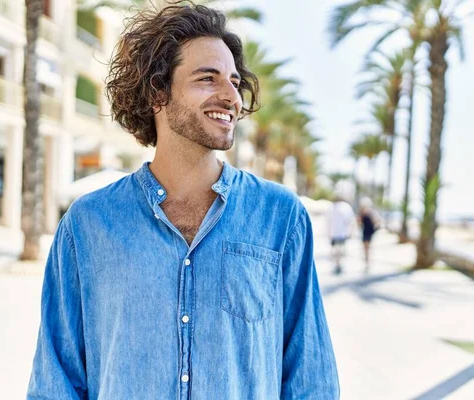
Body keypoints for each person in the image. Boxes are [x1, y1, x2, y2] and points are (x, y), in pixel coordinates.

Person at [27, 3, 339, 399]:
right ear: (158, 91)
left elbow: (310, 378)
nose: (231, 96)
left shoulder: (281, 217)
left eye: (234, 81)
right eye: (208, 79)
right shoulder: (88, 225)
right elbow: (56, 379)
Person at [327, 195, 355, 275]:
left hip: (335, 233)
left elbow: (327, 221)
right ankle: (338, 265)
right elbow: (351, 221)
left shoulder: (331, 207)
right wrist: (351, 232)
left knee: (337, 250)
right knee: (339, 250)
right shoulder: (346, 207)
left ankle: (337, 265)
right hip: (341, 233)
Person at [358, 197, 380, 271]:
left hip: (369, 232)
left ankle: (368, 262)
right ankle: (367, 262)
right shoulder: (362, 213)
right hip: (365, 231)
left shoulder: (371, 212)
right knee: (366, 248)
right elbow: (359, 222)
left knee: (367, 247)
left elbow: (376, 221)